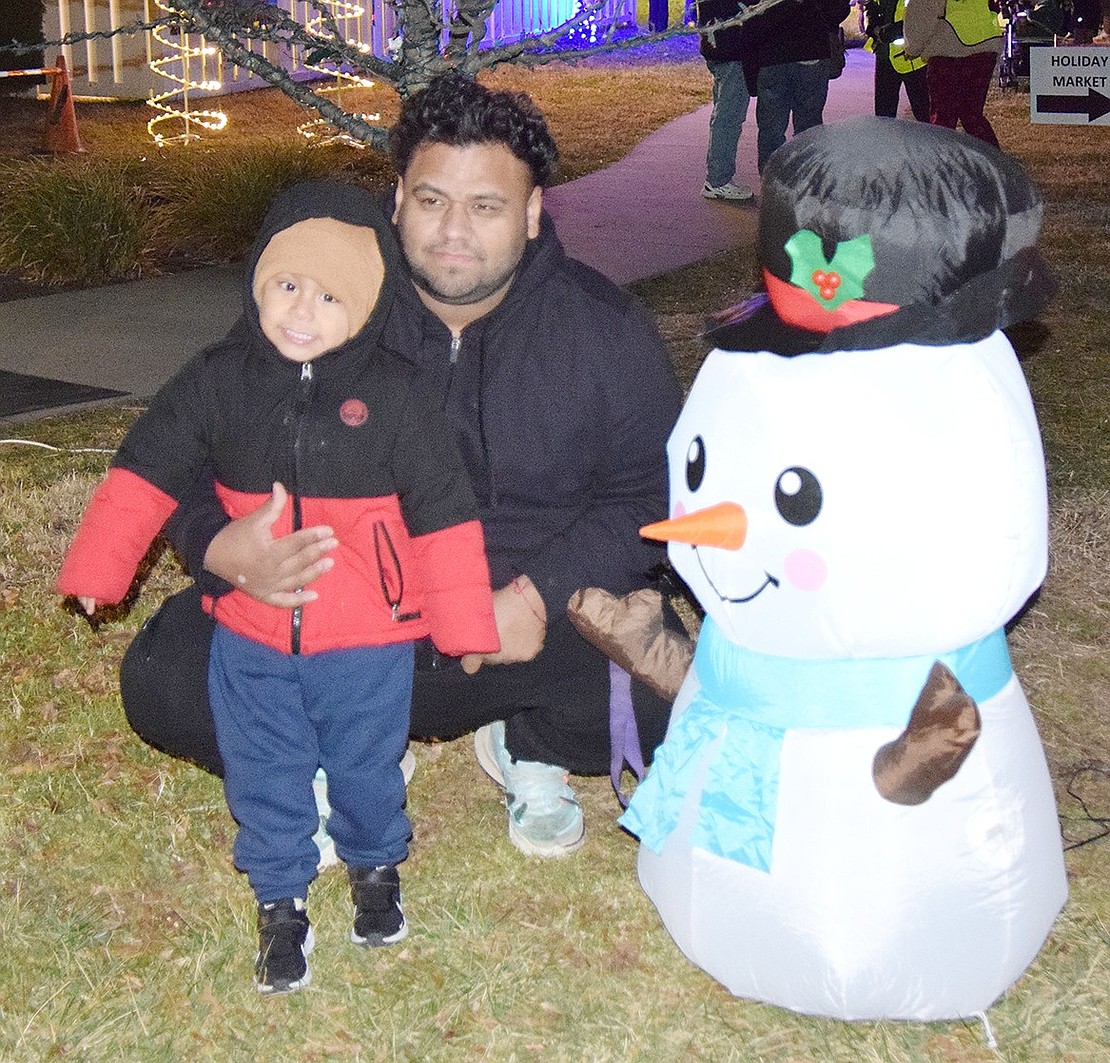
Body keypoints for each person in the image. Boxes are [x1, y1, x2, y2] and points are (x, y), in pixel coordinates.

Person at [118, 74, 684, 861]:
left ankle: (521, 742)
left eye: (486, 205)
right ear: (396, 201)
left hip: (518, 627)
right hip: (340, 625)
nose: (454, 230)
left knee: (676, 692)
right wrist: (217, 547)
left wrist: (536, 596)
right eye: (430, 200)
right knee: (162, 678)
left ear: (530, 213)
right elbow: (178, 459)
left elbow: (646, 502)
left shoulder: (607, 333)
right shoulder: (317, 312)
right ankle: (343, 743)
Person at [58, 181, 500, 995]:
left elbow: (444, 510)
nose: (303, 310)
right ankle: (279, 895)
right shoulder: (219, 378)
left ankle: (375, 867)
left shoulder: (397, 394)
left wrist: (464, 622)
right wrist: (97, 567)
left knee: (366, 762)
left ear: (367, 306)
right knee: (263, 766)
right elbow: (146, 467)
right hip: (251, 633)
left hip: (367, 638)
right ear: (258, 277)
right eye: (287, 284)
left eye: (332, 296)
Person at [739, 0, 852, 172]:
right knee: (808, 126)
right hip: (809, 51)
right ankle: (806, 180)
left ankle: (771, 181)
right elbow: (838, 10)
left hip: (773, 53)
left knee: (772, 128)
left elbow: (750, 14)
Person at [903, 0, 1003, 147]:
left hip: (950, 50)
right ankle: (993, 162)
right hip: (985, 47)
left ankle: (942, 163)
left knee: (943, 118)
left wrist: (912, 48)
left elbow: (922, 13)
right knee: (972, 115)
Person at [697, 0, 756, 201]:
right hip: (729, 47)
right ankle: (718, 180)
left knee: (724, 114)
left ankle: (717, 177)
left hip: (719, 45)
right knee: (729, 116)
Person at [861, 0, 930, 121]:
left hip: (914, 58)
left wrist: (896, 30)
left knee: (925, 116)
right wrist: (872, 24)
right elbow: (872, 6)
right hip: (885, 56)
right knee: (884, 118)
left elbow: (927, 15)